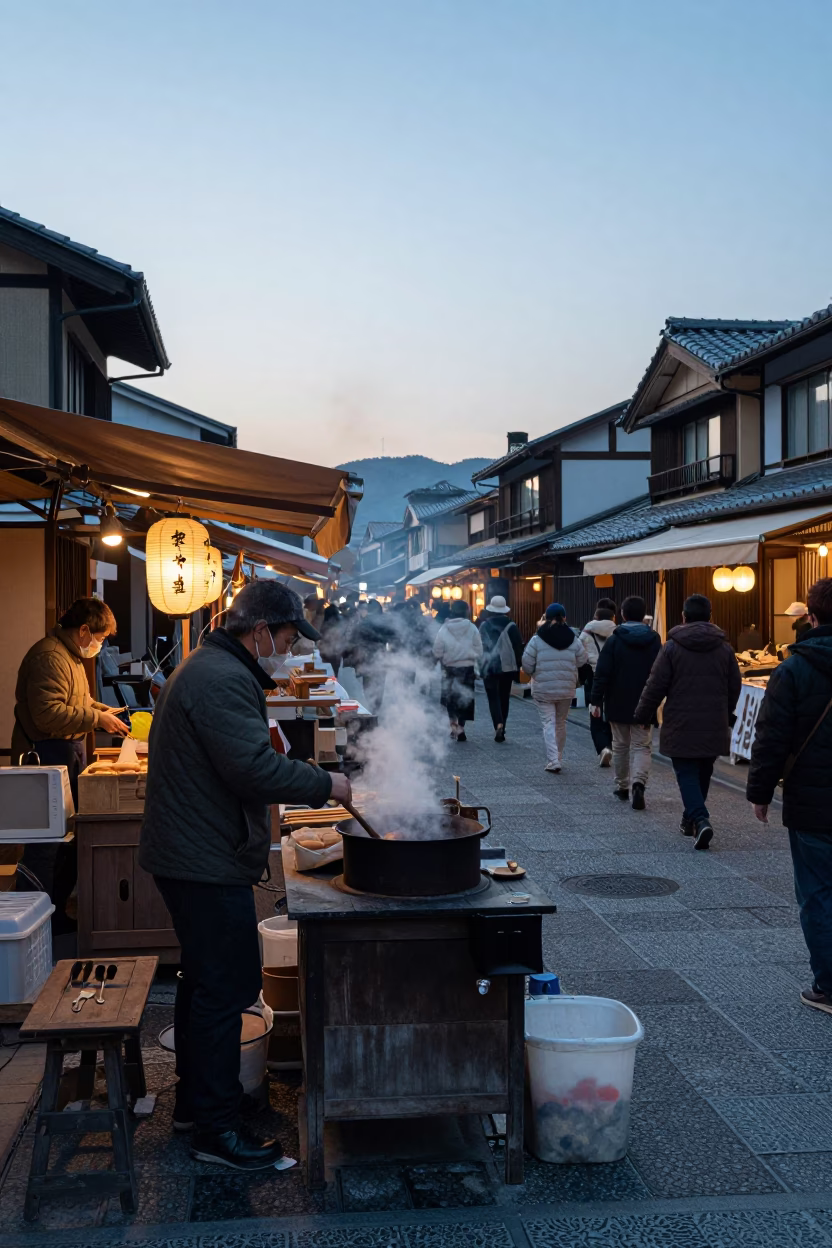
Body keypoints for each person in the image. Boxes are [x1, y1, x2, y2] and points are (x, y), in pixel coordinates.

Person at [139, 582, 351, 1169]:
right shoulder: (223, 678)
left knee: (204, 981)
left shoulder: (214, 667)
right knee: (225, 988)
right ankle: (216, 1131)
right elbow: (252, 770)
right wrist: (323, 781)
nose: (286, 650)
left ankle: (199, 1106)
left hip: (194, 850)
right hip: (202, 858)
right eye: (284, 638)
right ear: (259, 631)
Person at [12, 598, 129, 928]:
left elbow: (76, 701)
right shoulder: (50, 656)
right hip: (44, 756)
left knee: (67, 842)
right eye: (101, 637)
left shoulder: (71, 656)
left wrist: (100, 710)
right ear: (82, 630)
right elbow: (48, 714)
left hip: (66, 753)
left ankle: (57, 913)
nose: (100, 644)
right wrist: (96, 718)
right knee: (45, 845)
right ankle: (30, 921)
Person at [746, 577, 832, 1015]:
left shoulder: (794, 670)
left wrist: (760, 792)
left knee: (817, 892)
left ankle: (829, 986)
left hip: (814, 801)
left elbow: (771, 737)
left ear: (811, 617)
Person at [635, 593, 741, 850]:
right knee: (703, 770)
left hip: (681, 722)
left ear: (683, 617)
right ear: (710, 617)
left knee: (687, 772)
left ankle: (701, 819)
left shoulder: (672, 647)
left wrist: (642, 714)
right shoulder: (724, 649)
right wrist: (726, 712)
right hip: (714, 721)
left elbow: (655, 685)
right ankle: (689, 819)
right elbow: (734, 686)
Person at [589, 596, 661, 809]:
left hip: (617, 699)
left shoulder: (614, 639)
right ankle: (639, 783)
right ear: (643, 615)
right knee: (642, 745)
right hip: (646, 701)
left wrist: (595, 700)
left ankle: (622, 787)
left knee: (620, 745)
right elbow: (662, 672)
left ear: (622, 615)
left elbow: (602, 672)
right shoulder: (654, 640)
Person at [521, 603, 588, 773]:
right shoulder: (573, 638)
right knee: (561, 723)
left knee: (548, 723)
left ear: (546, 618)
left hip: (543, 688)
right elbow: (582, 660)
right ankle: (558, 756)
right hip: (566, 688)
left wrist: (534, 674)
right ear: (564, 617)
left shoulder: (537, 638)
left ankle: (553, 761)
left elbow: (526, 664)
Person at [434, 599, 483, 741]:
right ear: (466, 611)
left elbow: (437, 650)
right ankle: (461, 728)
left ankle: (453, 726)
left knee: (451, 699)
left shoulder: (444, 628)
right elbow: (479, 650)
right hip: (467, 669)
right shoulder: (472, 627)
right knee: (465, 699)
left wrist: (441, 657)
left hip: (449, 669)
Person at [479, 596, 524, 742]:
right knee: (504, 697)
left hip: (488, 666)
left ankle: (497, 723)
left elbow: (479, 647)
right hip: (507, 666)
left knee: (493, 698)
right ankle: (503, 726)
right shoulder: (512, 625)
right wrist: (518, 665)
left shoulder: (484, 625)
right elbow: (518, 646)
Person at [579, 605, 617, 766]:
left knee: (595, 713)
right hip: (614, 678)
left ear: (596, 617)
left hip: (593, 677)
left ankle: (602, 748)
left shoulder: (586, 632)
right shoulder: (618, 632)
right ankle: (609, 745)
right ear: (613, 618)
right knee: (610, 713)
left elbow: (580, 656)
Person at [349, 598, 396, 712]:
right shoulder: (385, 623)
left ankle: (371, 707)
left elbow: (353, 639)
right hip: (381, 656)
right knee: (379, 683)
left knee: (368, 684)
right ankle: (376, 707)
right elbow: (393, 638)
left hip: (366, 657)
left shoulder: (363, 623)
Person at [318, 603, 344, 676]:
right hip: (337, 652)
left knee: (326, 671)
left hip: (327, 652)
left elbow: (322, 636)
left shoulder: (325, 624)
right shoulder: (340, 623)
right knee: (335, 672)